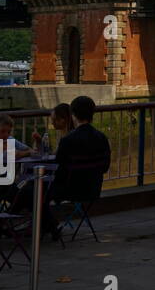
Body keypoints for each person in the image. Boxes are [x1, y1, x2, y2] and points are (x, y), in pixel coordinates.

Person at [46, 95, 111, 240]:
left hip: (70, 189)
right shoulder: (102, 138)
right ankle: (49, 226)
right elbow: (105, 167)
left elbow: (59, 171)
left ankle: (48, 226)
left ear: (73, 114)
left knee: (33, 192)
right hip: (93, 188)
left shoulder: (67, 140)